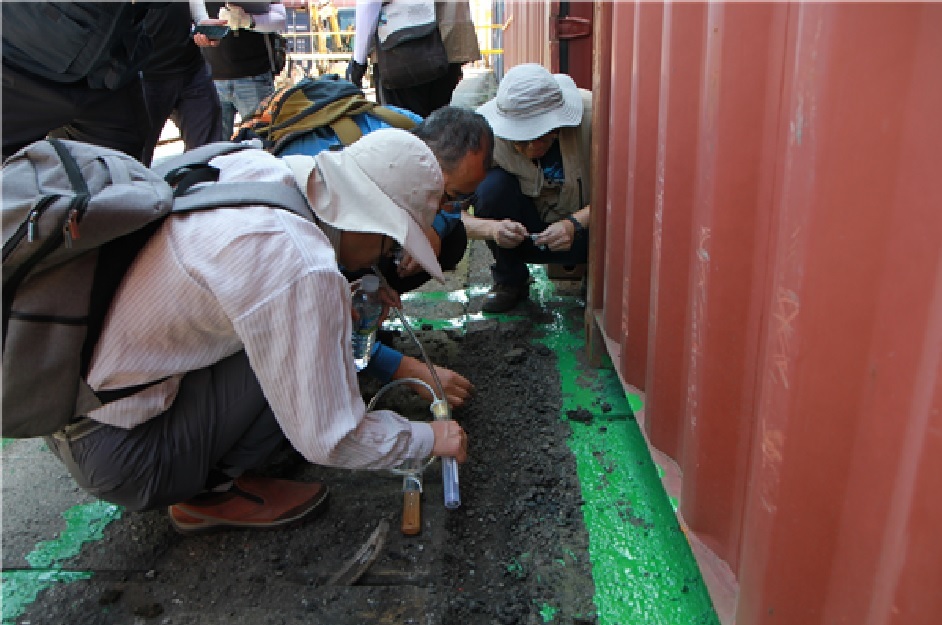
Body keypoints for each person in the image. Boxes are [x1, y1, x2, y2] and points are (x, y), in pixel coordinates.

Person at [44, 129, 469, 534]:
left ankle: (204, 460)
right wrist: (427, 437)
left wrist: (337, 303)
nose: (387, 258)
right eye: (390, 243)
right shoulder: (299, 263)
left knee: (306, 337)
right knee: (309, 364)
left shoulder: (258, 169)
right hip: (125, 456)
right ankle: (208, 494)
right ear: (372, 222)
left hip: (72, 401)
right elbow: (333, 440)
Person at [278, 105, 494, 409]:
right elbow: (306, 325)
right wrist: (403, 369)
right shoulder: (300, 240)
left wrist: (430, 229)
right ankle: (356, 345)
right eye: (451, 195)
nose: (453, 205)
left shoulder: (424, 134)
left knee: (451, 238)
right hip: (299, 272)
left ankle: (362, 327)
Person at [463, 64, 593, 313]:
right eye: (520, 141)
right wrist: (493, 229)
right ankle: (510, 280)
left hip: (586, 231)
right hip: (526, 233)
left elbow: (627, 197)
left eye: (543, 136)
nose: (533, 147)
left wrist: (575, 224)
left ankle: (598, 277)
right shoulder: (484, 136)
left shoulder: (594, 118)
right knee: (491, 189)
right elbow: (449, 213)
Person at [346, 0, 480, 118]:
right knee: (437, 130)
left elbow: (369, 3)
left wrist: (358, 61)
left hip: (399, 49)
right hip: (448, 39)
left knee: (403, 129)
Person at [141, 3, 224, 164]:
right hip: (146, 76)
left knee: (207, 154)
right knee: (136, 159)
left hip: (191, 70)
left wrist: (201, 20)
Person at [199, 2, 287, 140]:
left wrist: (248, 20)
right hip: (211, 79)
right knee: (214, 150)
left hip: (254, 77)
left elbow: (280, 19)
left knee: (261, 142)